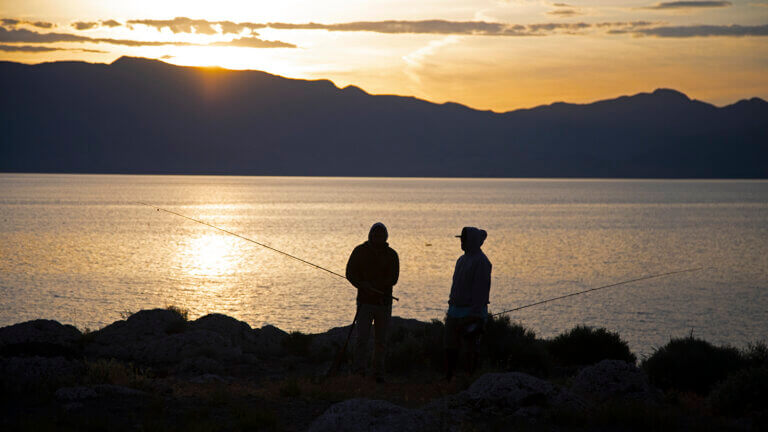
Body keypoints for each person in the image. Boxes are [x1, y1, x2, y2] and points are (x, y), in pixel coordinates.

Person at [345, 222, 399, 381]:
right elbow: (350, 273)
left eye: (380, 236)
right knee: (362, 338)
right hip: (364, 303)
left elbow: (393, 279)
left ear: (385, 237)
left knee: (381, 340)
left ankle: (378, 373)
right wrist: (361, 284)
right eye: (374, 235)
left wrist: (374, 286)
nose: (377, 238)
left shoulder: (392, 255)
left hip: (383, 303)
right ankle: (358, 371)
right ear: (369, 235)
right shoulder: (359, 251)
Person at [444, 226, 492, 380]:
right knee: (450, 347)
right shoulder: (461, 260)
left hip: (471, 313)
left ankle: (468, 379)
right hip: (454, 312)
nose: (461, 242)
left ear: (470, 241)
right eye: (461, 240)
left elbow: (481, 291)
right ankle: (449, 377)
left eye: (463, 240)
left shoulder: (482, 262)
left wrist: (475, 315)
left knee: (469, 349)